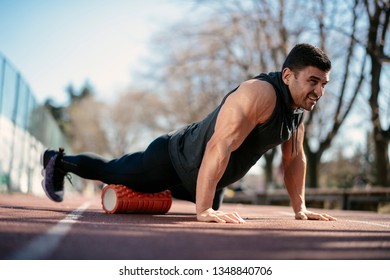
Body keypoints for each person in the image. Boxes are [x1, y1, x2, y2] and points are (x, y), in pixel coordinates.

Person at [41, 43, 337, 223]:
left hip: (207, 175)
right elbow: (219, 145)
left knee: (215, 204)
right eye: (313, 81)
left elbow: (294, 159)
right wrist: (203, 210)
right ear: (287, 75)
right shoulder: (259, 94)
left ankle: (161, 191)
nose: (319, 91)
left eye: (324, 84)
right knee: (113, 171)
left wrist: (300, 208)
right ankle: (57, 160)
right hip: (174, 157)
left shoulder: (298, 109)